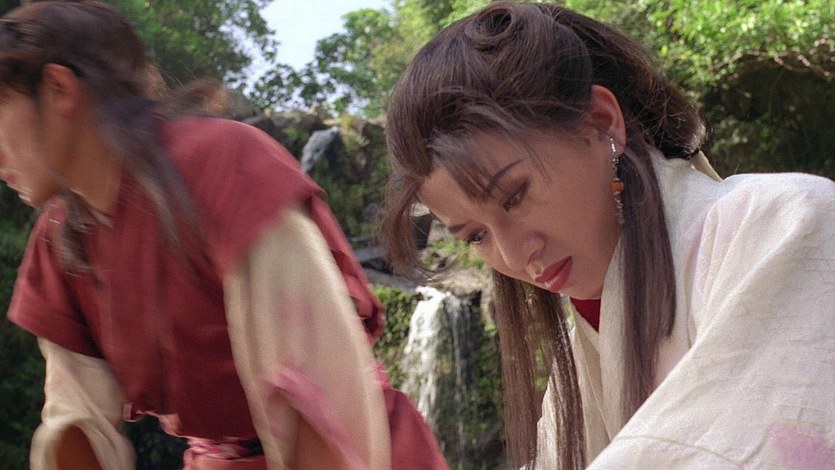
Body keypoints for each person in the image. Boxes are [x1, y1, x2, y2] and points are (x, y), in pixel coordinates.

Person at [380, 2, 835, 469]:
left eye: (514, 196)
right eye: (476, 236)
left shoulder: (790, 223)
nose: (515, 256)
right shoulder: (577, 367)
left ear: (601, 122)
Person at [0, 1, 448, 469]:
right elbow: (75, 424)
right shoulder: (60, 239)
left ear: (60, 88)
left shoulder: (225, 163)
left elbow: (316, 395)